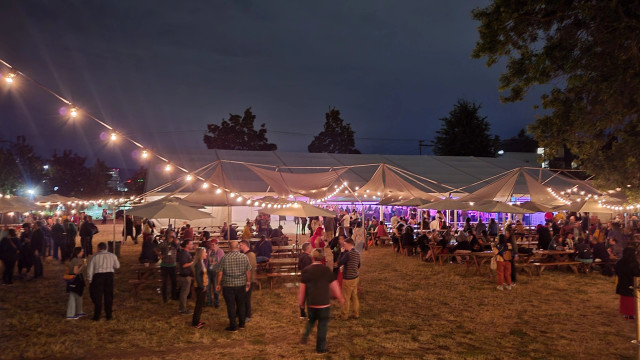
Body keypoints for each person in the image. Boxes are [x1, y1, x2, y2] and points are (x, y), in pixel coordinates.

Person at [298, 249, 345, 354]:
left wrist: (301, 303)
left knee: (311, 320)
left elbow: (302, 289)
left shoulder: (306, 271)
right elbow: (334, 286)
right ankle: (320, 348)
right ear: (322, 258)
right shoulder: (326, 270)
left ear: (312, 257)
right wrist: (340, 297)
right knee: (322, 325)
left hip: (311, 303)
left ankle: (305, 335)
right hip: (324, 303)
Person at [216, 240, 252, 332]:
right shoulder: (244, 257)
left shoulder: (225, 258)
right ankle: (242, 324)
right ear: (238, 247)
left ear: (229, 247)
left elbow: (220, 272)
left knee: (230, 306)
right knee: (241, 304)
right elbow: (248, 271)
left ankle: (233, 325)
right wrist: (248, 281)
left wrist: (218, 284)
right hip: (241, 284)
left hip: (228, 285)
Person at [87, 242, 120, 321]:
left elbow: (89, 270)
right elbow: (117, 266)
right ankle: (109, 315)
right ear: (106, 248)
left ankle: (97, 315)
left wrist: (90, 280)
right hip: (109, 276)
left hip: (98, 276)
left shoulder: (94, 257)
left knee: (98, 296)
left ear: (98, 248)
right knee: (109, 296)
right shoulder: (112, 255)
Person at [337, 238, 361, 320]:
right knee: (354, 296)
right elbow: (358, 265)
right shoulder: (357, 253)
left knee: (346, 297)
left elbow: (339, 263)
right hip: (355, 277)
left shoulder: (348, 254)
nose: (344, 246)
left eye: (345, 244)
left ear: (349, 244)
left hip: (348, 278)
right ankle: (356, 313)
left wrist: (341, 253)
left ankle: (344, 315)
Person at [615, 247, 640, 319]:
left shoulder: (620, 262)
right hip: (631, 284)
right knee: (631, 300)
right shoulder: (634, 263)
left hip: (622, 283)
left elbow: (616, 271)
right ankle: (631, 314)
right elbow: (636, 274)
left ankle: (625, 313)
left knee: (624, 299)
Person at [65, 247, 87, 319]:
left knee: (78, 295)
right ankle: (70, 314)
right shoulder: (76, 260)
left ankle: (79, 312)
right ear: (78, 252)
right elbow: (76, 272)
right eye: (82, 251)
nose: (83, 252)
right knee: (74, 296)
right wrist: (83, 266)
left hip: (73, 279)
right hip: (76, 279)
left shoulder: (73, 259)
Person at [157, 232, 178, 303]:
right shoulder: (164, 243)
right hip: (165, 265)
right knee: (164, 282)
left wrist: (175, 241)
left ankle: (173, 296)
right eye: (172, 235)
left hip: (173, 265)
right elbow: (156, 249)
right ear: (168, 236)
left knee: (174, 282)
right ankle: (165, 298)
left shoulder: (175, 243)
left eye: (174, 235)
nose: (173, 236)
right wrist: (160, 255)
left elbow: (179, 248)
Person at [239, 240, 257, 321]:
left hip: (249, 279)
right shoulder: (245, 254)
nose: (239, 247)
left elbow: (249, 268)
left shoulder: (251, 255)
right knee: (243, 297)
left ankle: (248, 314)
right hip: (244, 279)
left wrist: (248, 280)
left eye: (241, 245)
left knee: (247, 297)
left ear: (245, 245)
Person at [191, 247, 208, 329]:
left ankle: (197, 320)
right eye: (205, 252)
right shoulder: (198, 264)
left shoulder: (201, 262)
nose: (206, 254)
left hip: (201, 286)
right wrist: (202, 286)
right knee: (199, 305)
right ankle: (195, 323)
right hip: (199, 287)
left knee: (200, 305)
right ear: (201, 254)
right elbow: (198, 276)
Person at [206, 240, 225, 308]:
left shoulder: (220, 251)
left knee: (215, 287)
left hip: (216, 271)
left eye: (214, 244)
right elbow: (206, 260)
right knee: (207, 287)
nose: (212, 246)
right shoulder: (209, 251)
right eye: (211, 244)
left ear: (217, 244)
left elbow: (222, 261)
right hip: (208, 270)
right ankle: (209, 301)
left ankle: (216, 302)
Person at [177, 239, 194, 314]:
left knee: (184, 293)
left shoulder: (185, 253)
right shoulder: (184, 253)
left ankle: (182, 308)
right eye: (191, 244)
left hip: (186, 275)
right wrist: (192, 262)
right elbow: (184, 265)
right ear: (187, 245)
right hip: (185, 276)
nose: (192, 245)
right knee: (184, 293)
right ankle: (182, 309)